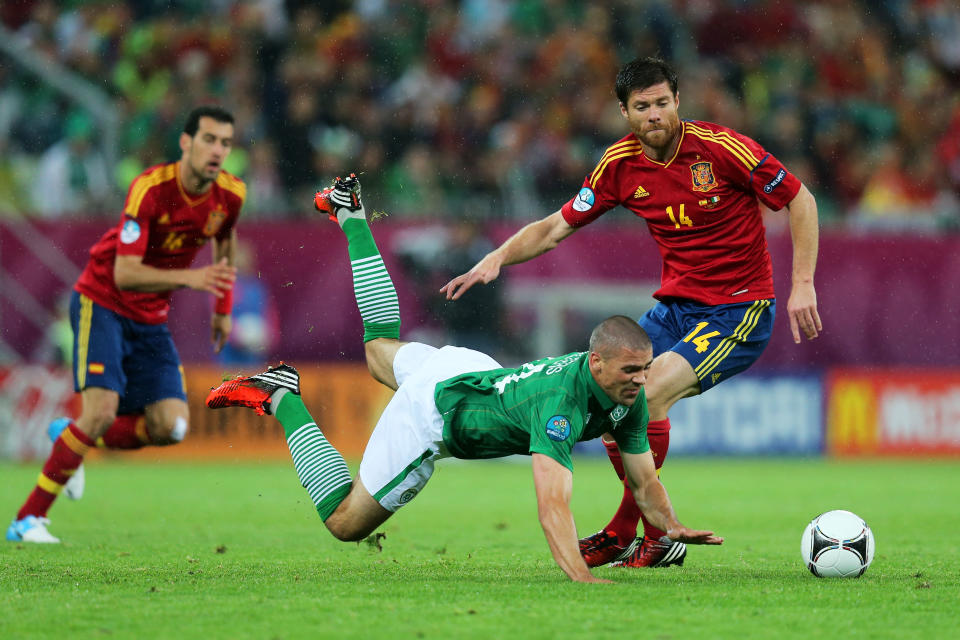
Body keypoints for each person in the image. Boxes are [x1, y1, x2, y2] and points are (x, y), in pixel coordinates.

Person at [205, 175, 722, 583]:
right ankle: (282, 397)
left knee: (378, 349)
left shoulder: (625, 396)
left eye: (645, 367)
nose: (642, 379)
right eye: (631, 370)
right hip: (434, 413)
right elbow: (551, 504)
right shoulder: (561, 405)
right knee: (344, 523)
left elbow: (644, 480)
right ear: (597, 364)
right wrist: (581, 577)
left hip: (468, 367)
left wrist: (669, 524)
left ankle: (350, 213)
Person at [441, 57, 821, 569]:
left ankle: (629, 533)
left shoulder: (723, 149)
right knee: (608, 399)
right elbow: (556, 227)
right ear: (624, 111)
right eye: (642, 106)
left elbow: (801, 200)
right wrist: (498, 256)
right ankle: (651, 536)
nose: (655, 114)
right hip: (674, 308)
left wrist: (801, 284)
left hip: (739, 309)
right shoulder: (618, 165)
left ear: (677, 102)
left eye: (663, 103)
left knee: (650, 389)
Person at [7, 105, 245, 544]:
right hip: (104, 303)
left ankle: (70, 440)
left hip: (150, 319)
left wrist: (223, 308)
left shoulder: (230, 195)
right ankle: (27, 520)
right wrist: (191, 279)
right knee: (100, 413)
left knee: (170, 427)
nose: (217, 151)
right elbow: (125, 273)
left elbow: (226, 241)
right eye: (209, 139)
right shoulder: (151, 189)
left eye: (225, 143)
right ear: (186, 143)